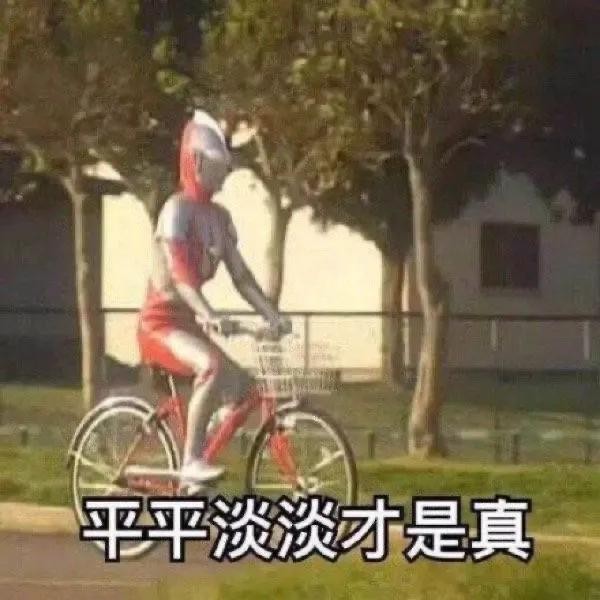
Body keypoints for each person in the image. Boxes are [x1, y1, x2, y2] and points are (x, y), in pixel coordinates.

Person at [138, 109, 290, 488]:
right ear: (197, 162)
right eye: (217, 165)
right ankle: (191, 461)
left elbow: (242, 276)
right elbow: (180, 276)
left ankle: (201, 450)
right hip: (160, 325)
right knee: (210, 366)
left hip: (188, 323)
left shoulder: (219, 218)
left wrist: (271, 314)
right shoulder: (176, 210)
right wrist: (208, 312)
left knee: (243, 389)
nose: (224, 174)